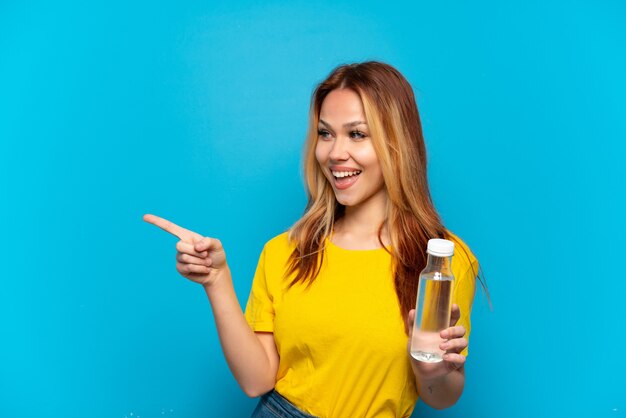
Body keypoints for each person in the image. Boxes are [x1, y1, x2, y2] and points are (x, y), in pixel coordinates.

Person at [144, 61, 483, 417]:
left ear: (398, 143)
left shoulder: (441, 261)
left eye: (357, 134)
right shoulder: (285, 250)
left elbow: (441, 396)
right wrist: (216, 280)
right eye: (325, 133)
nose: (335, 153)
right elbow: (256, 380)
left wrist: (429, 368)